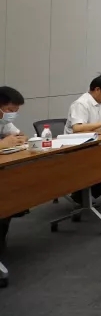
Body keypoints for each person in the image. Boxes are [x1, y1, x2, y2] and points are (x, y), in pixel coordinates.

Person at [66, 75, 101, 201]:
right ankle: (81, 195)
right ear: (97, 90)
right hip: (77, 147)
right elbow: (77, 128)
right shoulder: (81, 104)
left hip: (96, 143)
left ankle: (88, 193)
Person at [0, 86, 26, 253]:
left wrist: (20, 138)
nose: (12, 114)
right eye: (10, 110)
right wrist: (2, 144)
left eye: (16, 111)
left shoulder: (4, 121)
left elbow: (21, 135)